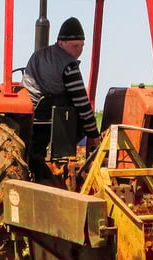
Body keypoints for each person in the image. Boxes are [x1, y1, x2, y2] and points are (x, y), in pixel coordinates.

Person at [22, 17, 101, 160]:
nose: (79, 51)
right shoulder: (69, 65)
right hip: (49, 121)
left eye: (82, 46)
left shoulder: (37, 55)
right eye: (75, 46)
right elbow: (82, 105)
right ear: (61, 43)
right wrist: (94, 135)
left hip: (27, 117)